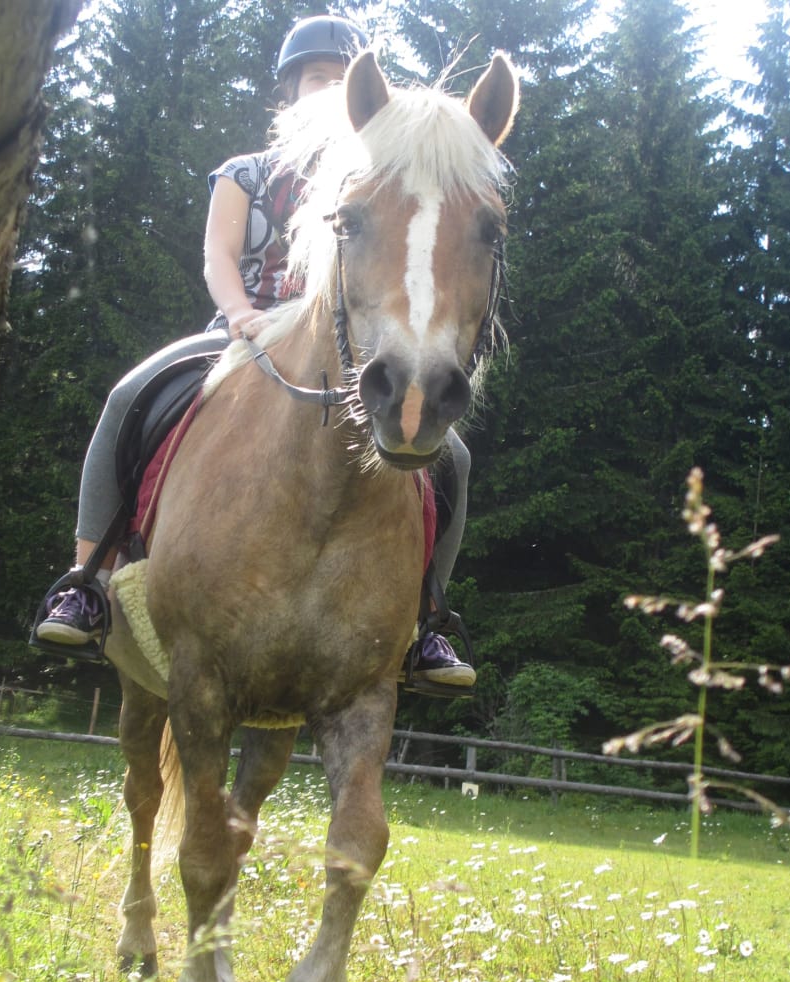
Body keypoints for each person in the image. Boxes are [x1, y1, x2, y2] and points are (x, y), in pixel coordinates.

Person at [34, 16, 475, 690]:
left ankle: (427, 617)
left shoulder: (378, 179)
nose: (329, 90)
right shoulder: (247, 172)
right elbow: (218, 254)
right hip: (245, 331)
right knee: (129, 395)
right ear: (289, 90)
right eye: (318, 78)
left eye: (341, 80)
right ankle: (87, 579)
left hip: (337, 347)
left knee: (455, 458)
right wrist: (239, 311)